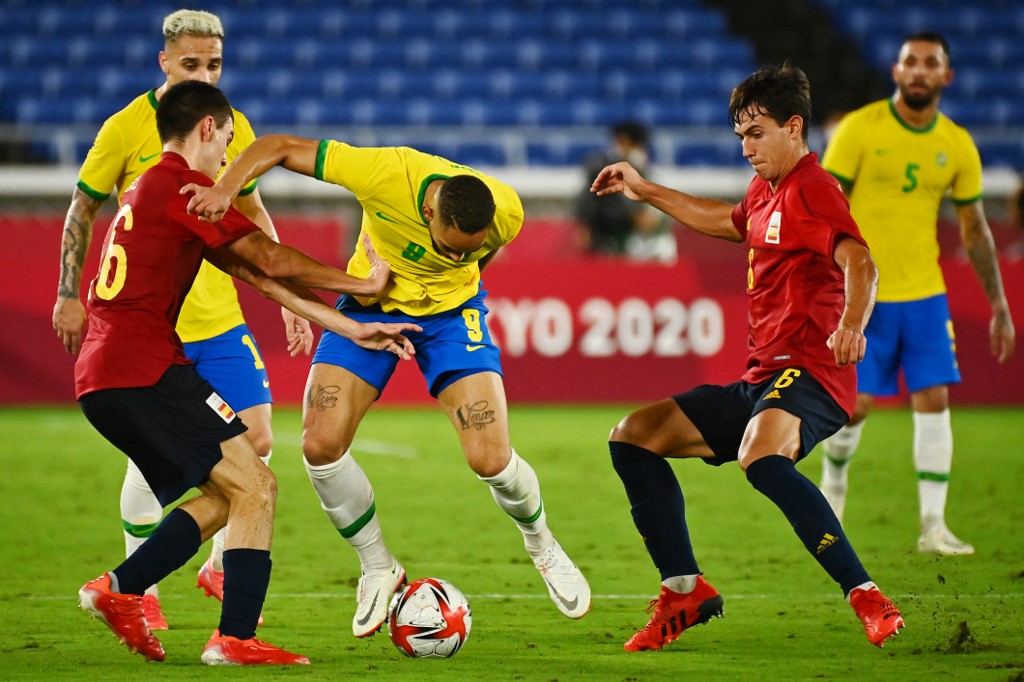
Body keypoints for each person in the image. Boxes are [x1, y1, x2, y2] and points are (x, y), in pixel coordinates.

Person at [184, 132, 592, 638]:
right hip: (370, 308)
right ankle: (378, 566)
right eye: (451, 248)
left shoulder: (505, 209)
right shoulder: (384, 173)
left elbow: (479, 259)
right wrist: (225, 188)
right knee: (319, 445)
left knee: (490, 457)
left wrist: (462, 274)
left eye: (471, 250)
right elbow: (278, 146)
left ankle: (541, 543)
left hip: (450, 316)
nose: (461, 257)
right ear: (431, 215)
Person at [72, 80, 419, 665]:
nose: (229, 156)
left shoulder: (147, 188)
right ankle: (230, 636)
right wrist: (362, 285)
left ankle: (122, 589)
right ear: (207, 128)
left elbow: (255, 275)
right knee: (258, 484)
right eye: (228, 140)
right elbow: (271, 257)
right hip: (145, 367)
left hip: (106, 376)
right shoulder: (187, 188)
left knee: (230, 491)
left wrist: (351, 327)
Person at [590, 63, 904, 651]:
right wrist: (645, 188)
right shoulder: (767, 189)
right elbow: (727, 221)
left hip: (812, 371)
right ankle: (684, 589)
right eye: (740, 136)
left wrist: (852, 326)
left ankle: (865, 593)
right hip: (761, 379)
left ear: (794, 127)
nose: (746, 147)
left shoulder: (814, 187)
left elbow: (860, 261)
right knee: (632, 436)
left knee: (759, 456)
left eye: (756, 133)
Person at [51, 9, 310, 628]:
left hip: (219, 318)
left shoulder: (231, 123)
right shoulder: (126, 128)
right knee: (164, 464)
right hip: (153, 330)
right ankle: (140, 589)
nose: (204, 73)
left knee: (257, 444)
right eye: (191, 63)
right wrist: (67, 292)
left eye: (214, 64)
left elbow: (250, 215)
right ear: (164, 62)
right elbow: (81, 211)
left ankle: (216, 565)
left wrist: (283, 299)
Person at [819, 32, 1016, 555]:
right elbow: (822, 209)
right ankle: (832, 492)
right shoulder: (860, 129)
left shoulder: (956, 144)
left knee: (934, 399)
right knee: (856, 405)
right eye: (911, 61)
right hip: (866, 294)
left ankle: (934, 526)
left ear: (946, 76)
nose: (920, 71)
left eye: (931, 63)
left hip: (925, 293)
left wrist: (998, 303)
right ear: (896, 71)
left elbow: (975, 229)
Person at [575, 121, 675, 262]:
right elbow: (588, 202)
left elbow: (651, 220)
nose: (622, 148)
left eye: (627, 144)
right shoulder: (603, 172)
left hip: (645, 244)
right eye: (620, 142)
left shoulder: (652, 176)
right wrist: (586, 225)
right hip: (611, 241)